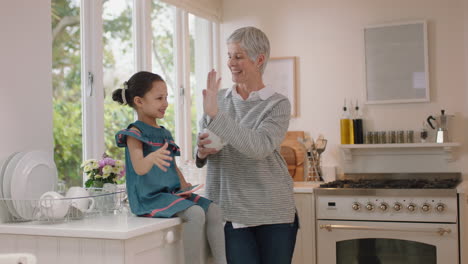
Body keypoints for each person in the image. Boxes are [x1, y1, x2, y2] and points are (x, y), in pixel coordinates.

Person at [196, 27, 298, 264]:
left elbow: (259, 147)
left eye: (238, 56)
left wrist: (215, 116)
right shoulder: (218, 99)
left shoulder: (277, 104)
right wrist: (201, 150)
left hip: (273, 212)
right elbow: (203, 142)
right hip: (230, 211)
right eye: (229, 55)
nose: (231, 62)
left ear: (259, 59)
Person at [112, 71, 226, 264]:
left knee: (214, 209)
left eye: (166, 97)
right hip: (148, 198)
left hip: (170, 193)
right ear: (139, 101)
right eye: (159, 98)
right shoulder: (134, 133)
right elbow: (139, 167)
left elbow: (172, 165)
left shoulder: (164, 133)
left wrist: (184, 185)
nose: (165, 103)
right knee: (196, 213)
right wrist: (152, 158)